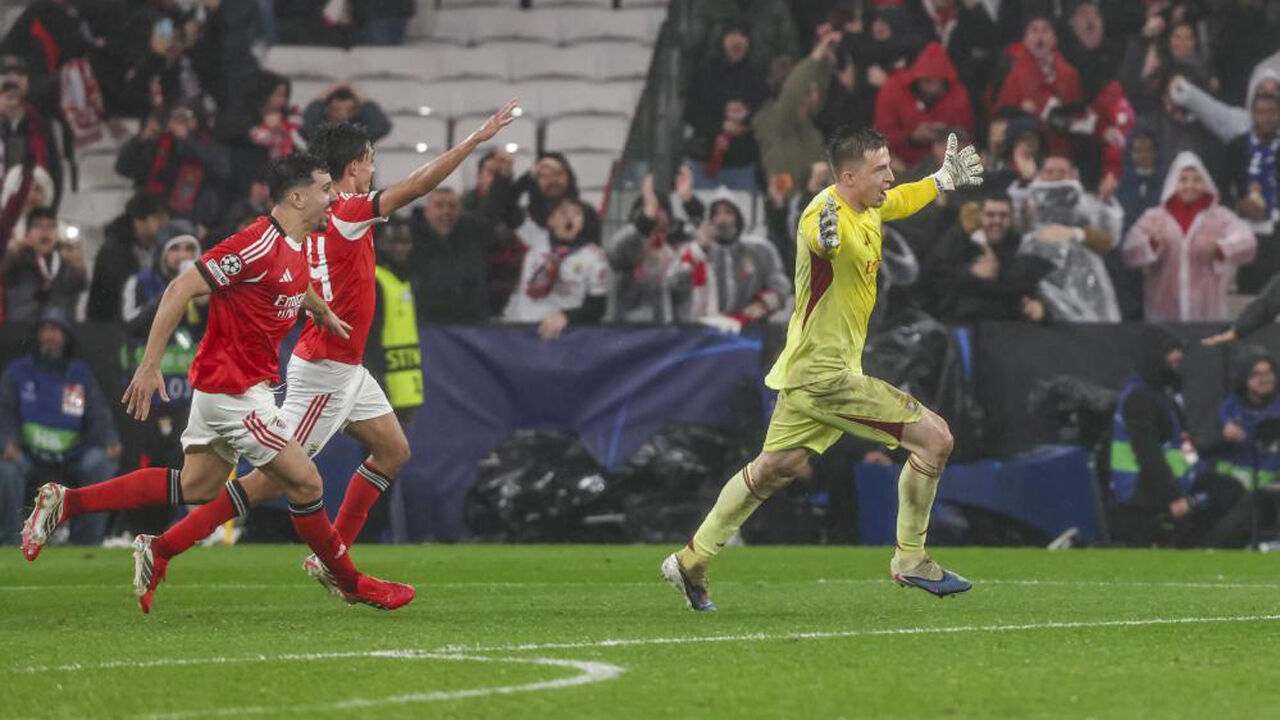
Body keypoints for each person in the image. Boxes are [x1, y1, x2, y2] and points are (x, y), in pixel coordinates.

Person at [131, 104, 517, 597]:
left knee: (393, 451)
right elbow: (418, 186)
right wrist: (474, 140)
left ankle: (329, 558)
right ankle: (165, 545)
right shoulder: (346, 212)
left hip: (347, 366)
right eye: (371, 159)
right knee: (272, 481)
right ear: (353, 166)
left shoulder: (318, 215)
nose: (374, 169)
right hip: (325, 370)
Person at [20, 152, 415, 613]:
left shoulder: (295, 244)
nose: (333, 198)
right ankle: (349, 581)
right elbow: (180, 288)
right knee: (306, 484)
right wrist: (150, 365)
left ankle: (65, 502)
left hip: (229, 389)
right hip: (234, 393)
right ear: (297, 195)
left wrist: (320, 309)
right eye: (326, 189)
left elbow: (292, 281)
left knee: (198, 485)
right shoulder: (254, 244)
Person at [661, 127, 984, 610]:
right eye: (880, 170)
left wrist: (941, 179)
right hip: (827, 376)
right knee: (935, 439)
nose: (890, 177)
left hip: (804, 370)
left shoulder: (870, 206)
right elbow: (818, 235)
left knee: (777, 466)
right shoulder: (823, 212)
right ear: (848, 177)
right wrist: (826, 241)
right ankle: (911, 559)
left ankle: (689, 560)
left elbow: (902, 199)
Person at [1109, 327, 1248, 548]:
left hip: (1174, 482)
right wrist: (1174, 498)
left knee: (1229, 489)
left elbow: (1183, 444)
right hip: (1145, 492)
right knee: (1223, 497)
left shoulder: (1163, 395)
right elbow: (1148, 454)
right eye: (1172, 350)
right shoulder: (1140, 397)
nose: (1180, 356)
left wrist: (1201, 470)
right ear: (1154, 355)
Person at [0, 309, 120, 546]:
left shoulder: (79, 374)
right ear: (37, 335)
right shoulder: (18, 372)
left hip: (71, 455)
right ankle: (12, 541)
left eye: (55, 330)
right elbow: (5, 410)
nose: (50, 336)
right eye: (45, 330)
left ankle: (85, 543)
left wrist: (110, 439)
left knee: (101, 463)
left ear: (66, 336)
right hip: (28, 454)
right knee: (7, 468)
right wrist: (8, 441)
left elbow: (98, 411)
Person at [1122, 151, 1256, 322]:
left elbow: (1248, 241)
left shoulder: (1219, 216)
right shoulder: (1155, 217)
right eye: (1183, 179)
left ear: (1205, 182)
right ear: (1173, 183)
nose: (1190, 185)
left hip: (1207, 313)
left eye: (1196, 179)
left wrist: (1221, 247)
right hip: (1163, 313)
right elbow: (1129, 251)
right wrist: (1151, 243)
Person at [668, 191, 790, 330]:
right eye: (717, 214)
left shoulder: (760, 250)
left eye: (728, 213)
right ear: (710, 220)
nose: (722, 219)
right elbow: (673, 285)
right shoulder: (692, 250)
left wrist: (764, 304)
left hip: (747, 331)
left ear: (738, 218)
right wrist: (698, 251)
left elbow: (781, 288)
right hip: (701, 333)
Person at [927, 194, 1051, 323]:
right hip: (965, 319)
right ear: (981, 216)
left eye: (1003, 216)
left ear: (1012, 218)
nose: (997, 220)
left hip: (1009, 322)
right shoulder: (959, 237)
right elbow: (933, 274)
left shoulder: (1020, 244)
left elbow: (1034, 283)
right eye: (990, 215)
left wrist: (1040, 308)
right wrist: (970, 272)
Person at [502, 196, 609, 340]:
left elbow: (598, 307)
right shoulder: (536, 239)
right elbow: (507, 209)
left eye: (577, 213)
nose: (570, 217)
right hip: (520, 329)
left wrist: (567, 318)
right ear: (551, 220)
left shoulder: (593, 256)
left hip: (557, 334)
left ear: (582, 222)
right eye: (563, 212)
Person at [873, 42, 973, 169]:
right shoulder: (892, 90)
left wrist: (945, 133)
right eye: (927, 81)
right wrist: (911, 136)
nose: (932, 89)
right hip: (900, 164)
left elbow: (966, 136)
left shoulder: (958, 96)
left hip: (945, 166)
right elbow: (882, 135)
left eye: (938, 82)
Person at [87, 192, 172, 322]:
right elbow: (118, 298)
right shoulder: (114, 251)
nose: (165, 222)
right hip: (113, 328)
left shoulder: (156, 247)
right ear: (139, 221)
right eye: (158, 218)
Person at [1, 208, 85, 321]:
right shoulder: (17, 259)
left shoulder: (66, 261)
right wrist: (15, 252)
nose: (45, 231)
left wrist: (78, 267)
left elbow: (79, 287)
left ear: (57, 234)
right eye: (37, 226)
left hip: (58, 330)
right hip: (21, 329)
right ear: (27, 233)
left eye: (51, 226)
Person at [1214, 349, 1280, 491]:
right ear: (1243, 379)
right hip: (1235, 491)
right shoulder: (1229, 408)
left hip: (1273, 493)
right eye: (1255, 374)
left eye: (1269, 372)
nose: (1264, 379)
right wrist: (1226, 434)